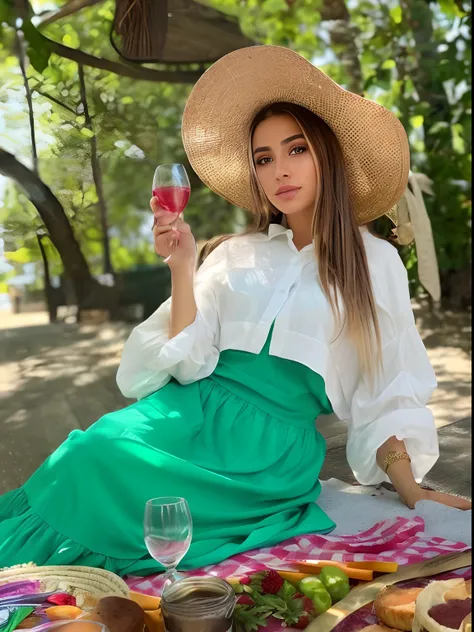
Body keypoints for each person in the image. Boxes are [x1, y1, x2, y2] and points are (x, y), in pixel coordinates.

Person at [0, 45, 470, 577]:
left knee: (106, 474)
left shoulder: (375, 263)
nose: (279, 171)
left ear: (328, 156)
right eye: (264, 158)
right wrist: (182, 265)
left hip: (266, 454)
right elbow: (189, 359)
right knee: (88, 453)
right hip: (188, 412)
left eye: (295, 150)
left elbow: (387, 390)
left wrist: (412, 491)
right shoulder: (236, 253)